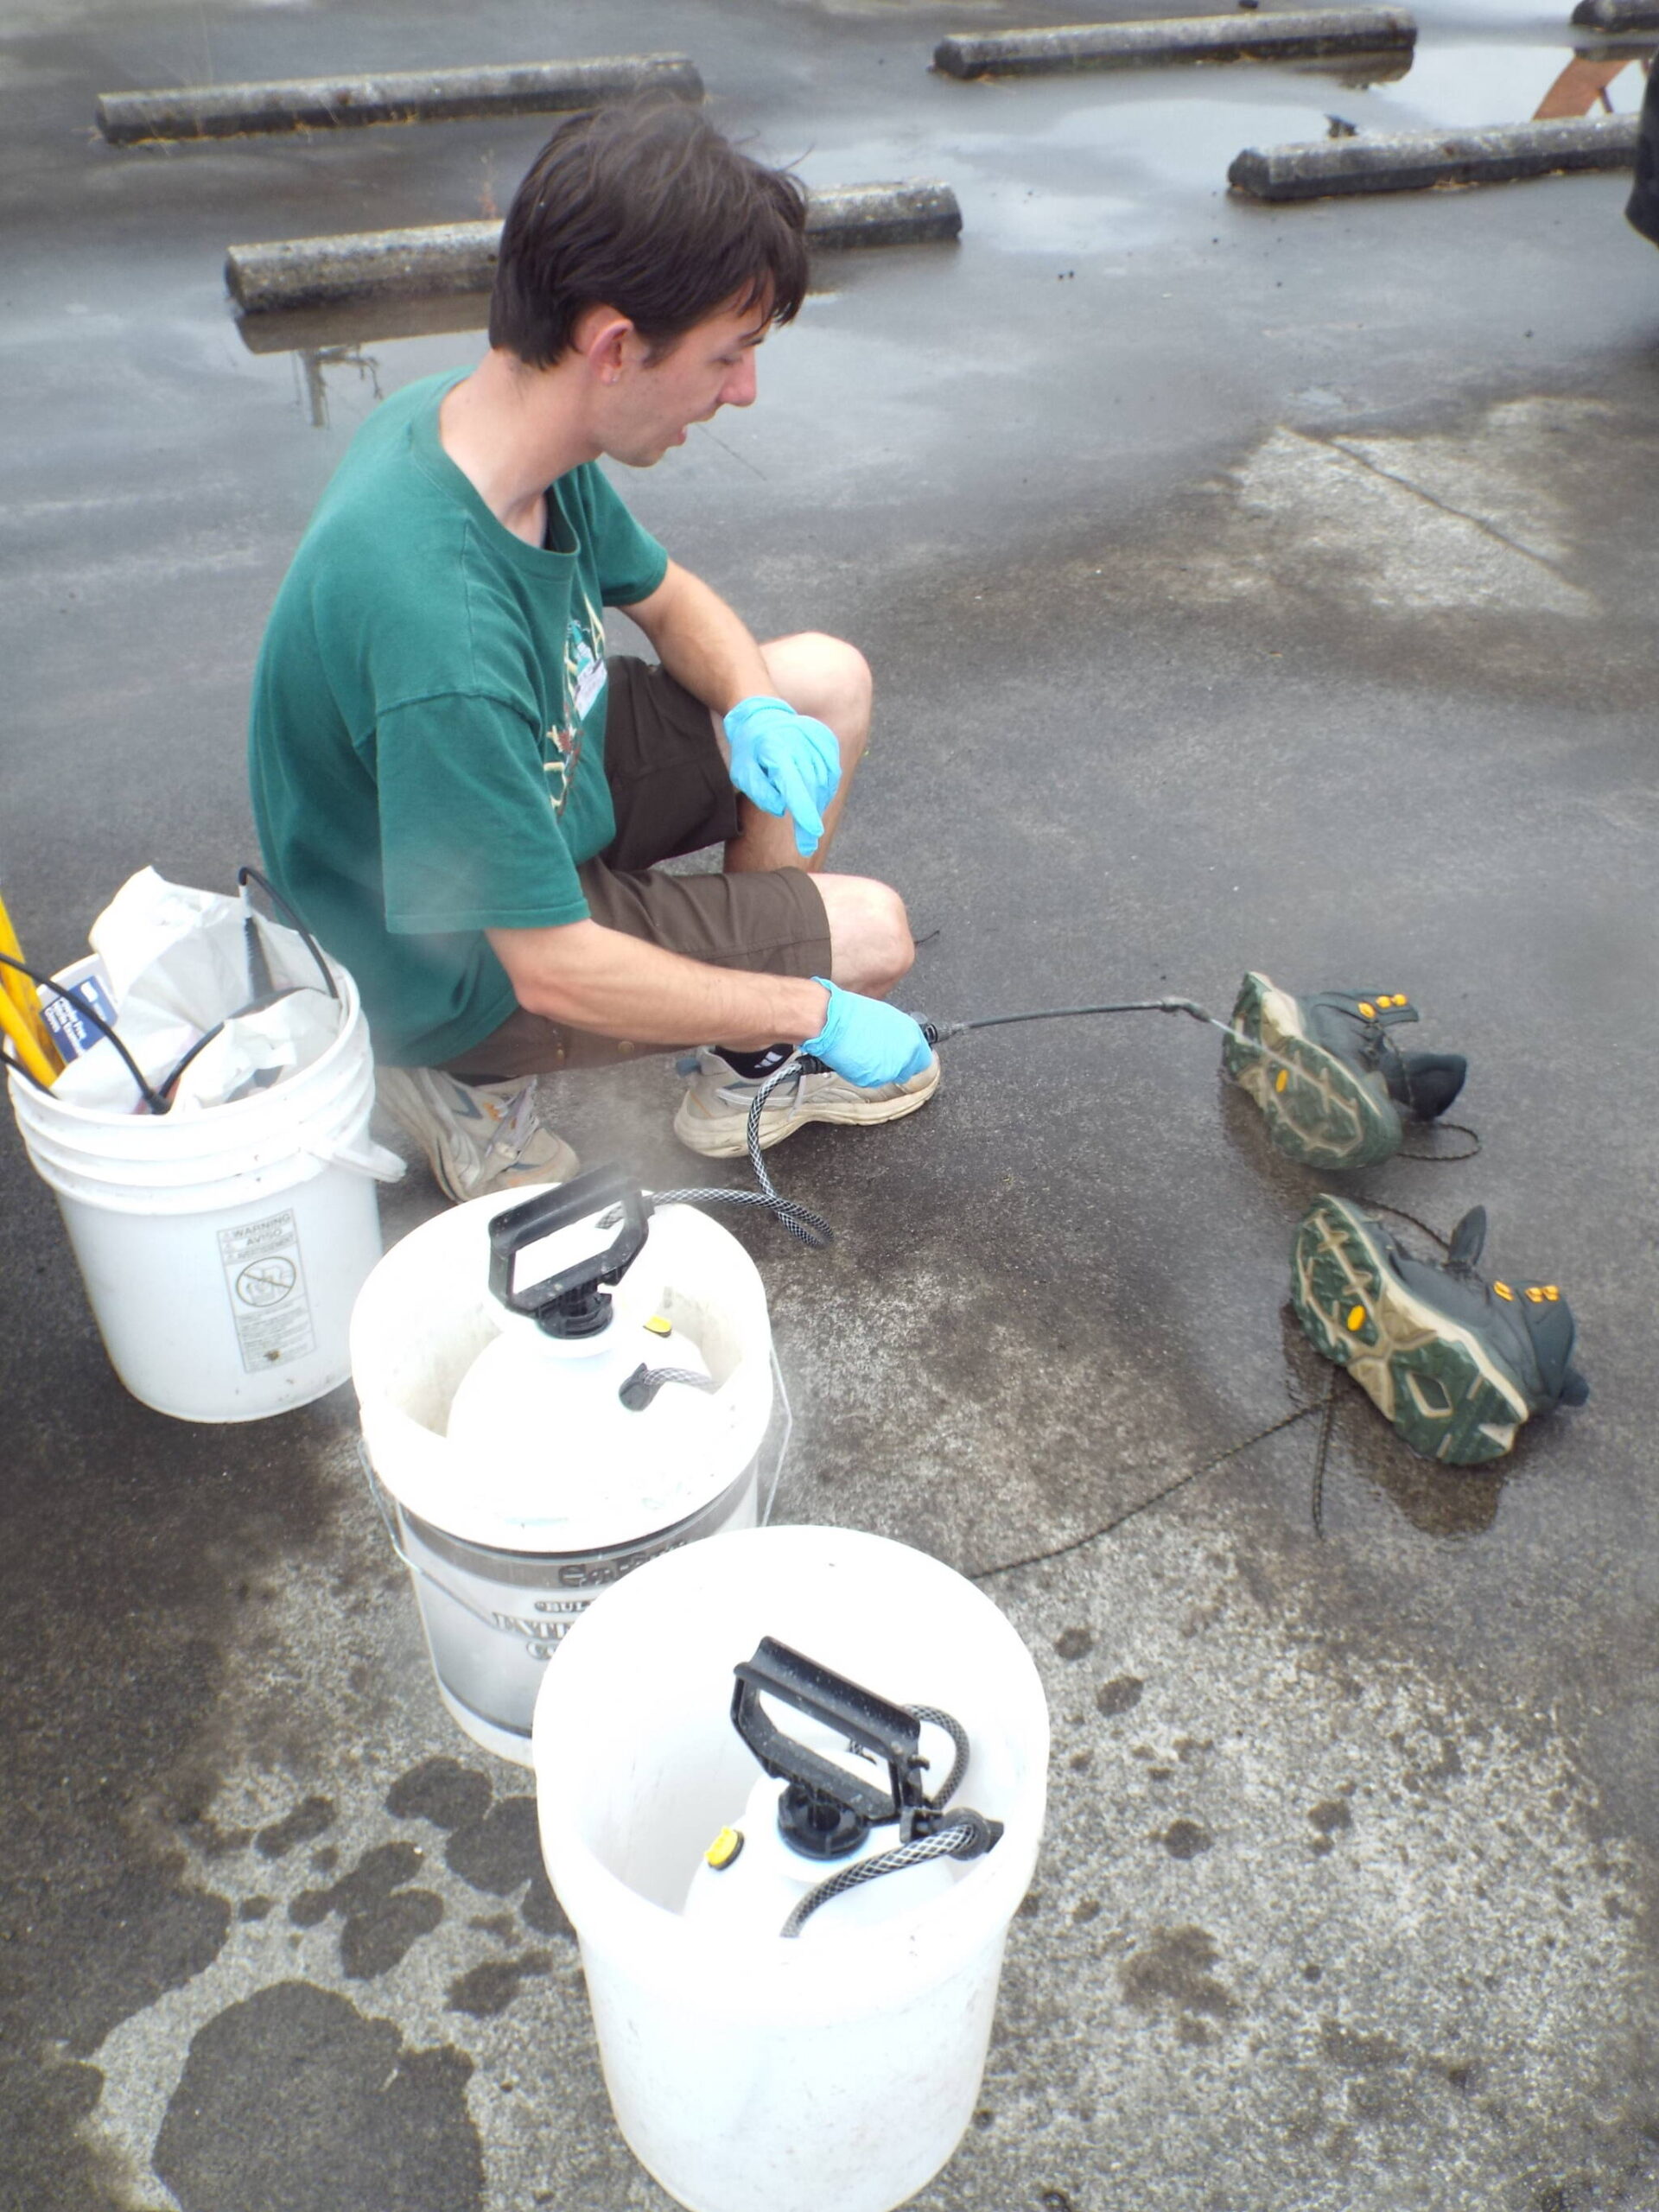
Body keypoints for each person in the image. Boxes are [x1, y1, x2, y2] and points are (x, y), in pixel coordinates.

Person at [249, 99, 938, 1202]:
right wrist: (810, 1006)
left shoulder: (499, 432)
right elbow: (553, 965)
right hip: (436, 950)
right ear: (615, 347)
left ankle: (744, 1067)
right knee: (870, 936)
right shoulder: (438, 620)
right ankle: (449, 1068)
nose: (744, 390)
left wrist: (756, 706)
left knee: (822, 682)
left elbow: (670, 599)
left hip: (516, 787)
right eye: (728, 356)